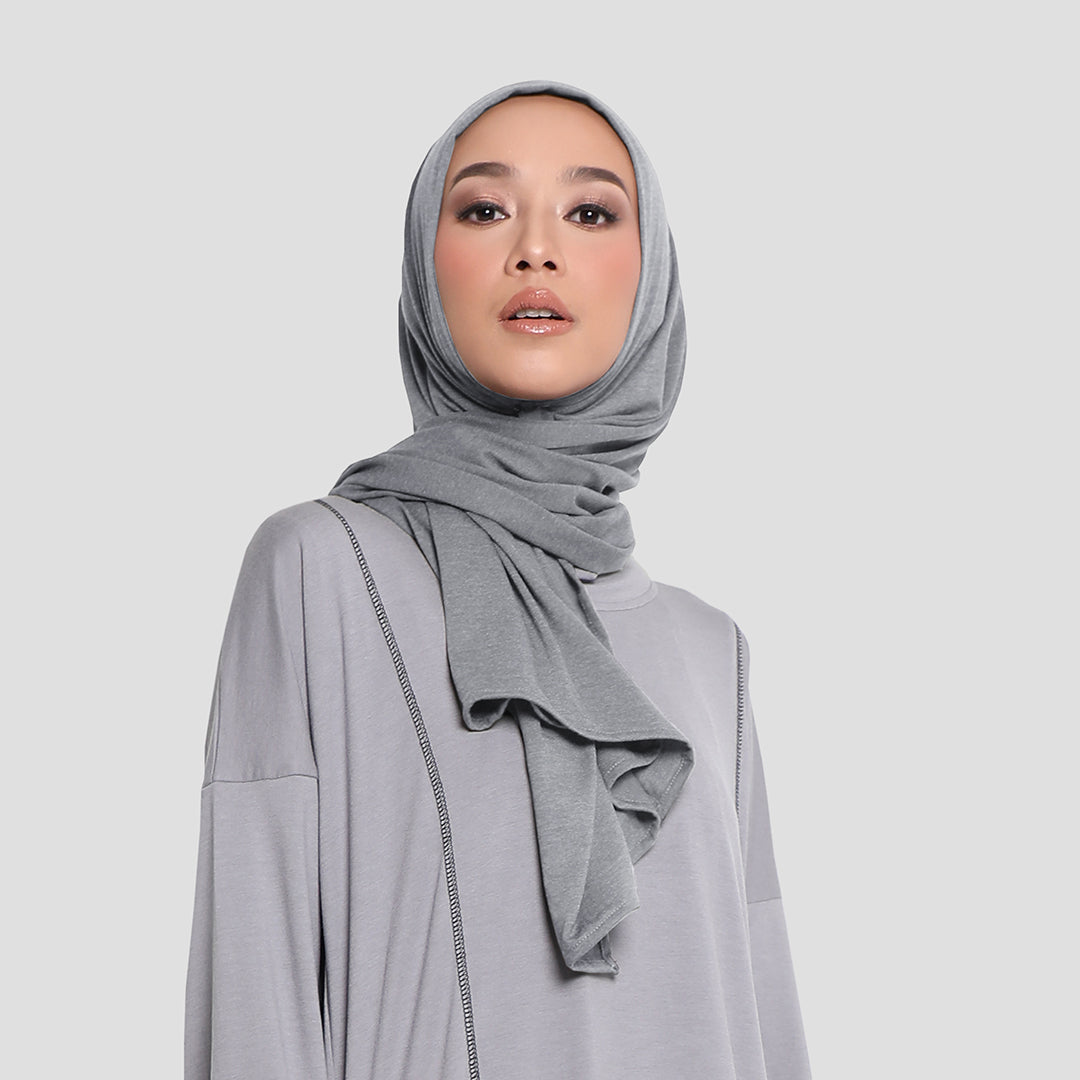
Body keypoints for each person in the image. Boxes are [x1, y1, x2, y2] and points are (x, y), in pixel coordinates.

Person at [184, 80, 812, 1080]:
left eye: (591, 213)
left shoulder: (712, 653)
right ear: (424, 270)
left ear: (651, 277)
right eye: (484, 209)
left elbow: (762, 1023)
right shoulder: (318, 569)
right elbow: (256, 999)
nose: (536, 249)